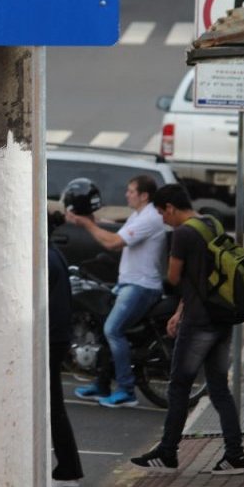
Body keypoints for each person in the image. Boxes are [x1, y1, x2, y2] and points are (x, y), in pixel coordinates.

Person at [130, 184, 244, 474]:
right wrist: (179, 311)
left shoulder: (182, 234)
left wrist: (182, 308)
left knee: (179, 386)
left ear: (169, 207)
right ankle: (236, 455)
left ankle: (168, 452)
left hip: (199, 323)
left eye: (160, 213)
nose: (162, 220)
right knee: (219, 388)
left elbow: (173, 277)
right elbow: (204, 278)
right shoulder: (212, 222)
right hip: (221, 317)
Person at [65, 175, 166, 408]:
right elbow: (120, 231)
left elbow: (113, 243)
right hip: (129, 283)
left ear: (144, 195)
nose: (126, 194)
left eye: (131, 191)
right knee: (103, 328)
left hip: (142, 286)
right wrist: (91, 220)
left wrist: (86, 224)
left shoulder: (150, 218)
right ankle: (101, 384)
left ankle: (126, 390)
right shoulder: (139, 215)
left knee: (113, 330)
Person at [47, 212, 84, 487]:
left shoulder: (46, 259)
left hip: (49, 339)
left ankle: (68, 470)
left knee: (53, 406)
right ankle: (66, 469)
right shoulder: (53, 254)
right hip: (56, 338)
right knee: (51, 405)